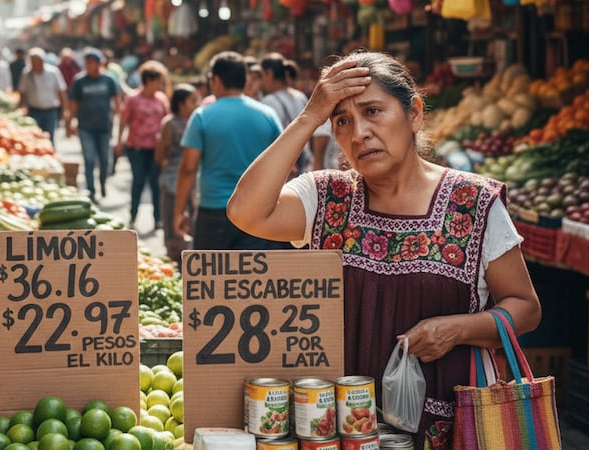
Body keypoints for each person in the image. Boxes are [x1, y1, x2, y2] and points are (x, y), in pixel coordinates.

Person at [226, 51, 542, 449]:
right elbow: (244, 212)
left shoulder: (472, 201)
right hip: (340, 429)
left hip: (448, 424)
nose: (359, 133)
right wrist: (310, 116)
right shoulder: (326, 196)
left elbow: (526, 308)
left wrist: (457, 329)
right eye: (342, 121)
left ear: (414, 114)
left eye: (373, 111)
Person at [175, 51, 282, 250]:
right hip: (255, 210)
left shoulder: (202, 116)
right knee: (251, 277)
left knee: (208, 276)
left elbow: (189, 168)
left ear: (216, 80)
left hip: (214, 209)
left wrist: (179, 211)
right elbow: (286, 165)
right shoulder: (268, 115)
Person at [115, 63, 170, 229]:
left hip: (156, 149)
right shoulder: (133, 99)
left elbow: (167, 123)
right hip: (136, 148)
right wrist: (119, 141)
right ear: (148, 81)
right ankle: (133, 215)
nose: (160, 85)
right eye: (157, 81)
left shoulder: (162, 99)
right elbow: (124, 120)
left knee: (155, 183)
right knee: (138, 181)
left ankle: (157, 218)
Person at [66, 47, 121, 203]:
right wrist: (70, 123)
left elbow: (117, 101)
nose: (88, 66)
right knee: (89, 159)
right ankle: (91, 190)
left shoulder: (108, 80)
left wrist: (116, 115)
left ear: (99, 64)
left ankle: (103, 182)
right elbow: (74, 103)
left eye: (91, 62)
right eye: (87, 63)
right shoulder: (80, 81)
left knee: (105, 160)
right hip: (86, 127)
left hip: (104, 127)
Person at [156, 84, 199, 264]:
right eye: (192, 101)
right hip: (181, 180)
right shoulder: (173, 123)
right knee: (178, 221)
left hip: (182, 180)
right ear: (181, 104)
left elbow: (159, 155)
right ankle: (180, 262)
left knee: (177, 221)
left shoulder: (193, 121)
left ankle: (181, 261)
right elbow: (160, 152)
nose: (196, 104)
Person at [259, 52, 313, 176]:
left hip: (283, 166)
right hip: (304, 162)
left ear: (269, 73)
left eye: (261, 75)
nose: (261, 81)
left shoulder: (269, 101)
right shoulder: (299, 96)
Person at [17, 47, 68, 145]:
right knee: (34, 138)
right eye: (32, 61)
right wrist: (20, 108)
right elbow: (23, 92)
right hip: (33, 110)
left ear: (42, 61)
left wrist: (64, 110)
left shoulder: (53, 72)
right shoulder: (27, 73)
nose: (34, 64)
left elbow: (61, 92)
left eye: (36, 61)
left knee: (49, 138)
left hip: (50, 111)